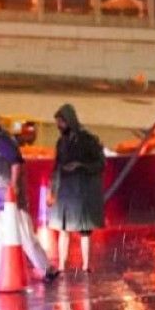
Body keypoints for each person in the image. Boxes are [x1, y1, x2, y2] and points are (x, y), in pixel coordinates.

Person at [0, 114, 60, 282]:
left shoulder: (1, 141)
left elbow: (16, 162)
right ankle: (0, 273)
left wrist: (14, 186)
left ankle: (44, 268)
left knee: (22, 235)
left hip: (6, 200)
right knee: (3, 239)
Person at [49, 103, 105, 273]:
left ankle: (86, 265)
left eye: (62, 122)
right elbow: (57, 166)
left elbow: (100, 163)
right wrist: (53, 191)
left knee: (84, 230)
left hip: (82, 191)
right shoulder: (61, 142)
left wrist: (80, 165)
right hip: (65, 191)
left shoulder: (87, 140)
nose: (59, 126)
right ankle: (61, 265)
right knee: (63, 229)